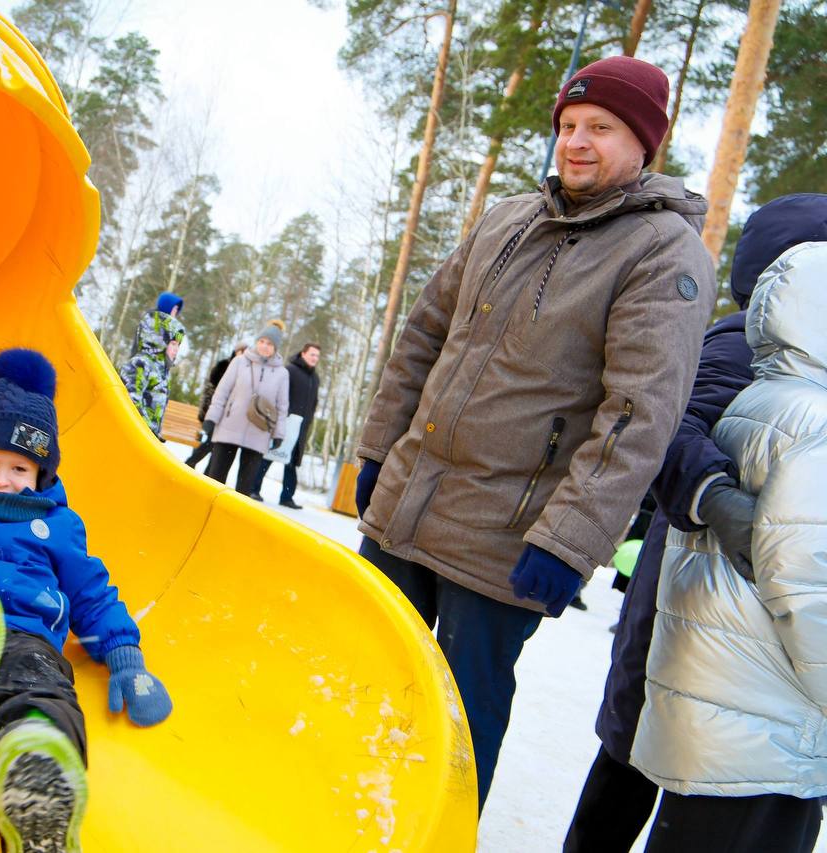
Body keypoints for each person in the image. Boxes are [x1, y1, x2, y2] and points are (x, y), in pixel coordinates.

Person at [352, 55, 716, 810]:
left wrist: (569, 540)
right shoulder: (507, 218)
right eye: (569, 126)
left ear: (645, 141)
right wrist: (378, 450)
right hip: (409, 499)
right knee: (364, 677)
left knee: (457, 718)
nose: (577, 142)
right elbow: (423, 336)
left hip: (508, 538)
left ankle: (435, 831)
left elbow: (639, 410)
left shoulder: (661, 252)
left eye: (601, 128)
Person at [565, 193, 827, 853]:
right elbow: (668, 430)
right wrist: (716, 494)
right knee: (633, 771)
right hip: (690, 596)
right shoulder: (745, 346)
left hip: (721, 610)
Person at [0, 349, 172, 853]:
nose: (2, 479)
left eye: (20, 467)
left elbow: (91, 592)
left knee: (45, 693)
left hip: (27, 639)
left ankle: (37, 770)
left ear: (41, 475)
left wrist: (124, 656)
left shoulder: (56, 527)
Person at [203, 320, 289, 497]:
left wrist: (279, 434)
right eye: (262, 341)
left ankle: (233, 520)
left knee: (244, 489)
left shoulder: (282, 373)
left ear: (276, 347)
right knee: (215, 480)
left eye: (270, 344)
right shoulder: (239, 362)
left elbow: (282, 407)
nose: (264, 346)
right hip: (229, 426)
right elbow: (222, 391)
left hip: (258, 433)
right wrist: (212, 417)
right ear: (257, 341)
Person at [252, 343, 321, 508]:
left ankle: (286, 497)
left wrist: (308, 422)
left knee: (292, 462)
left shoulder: (315, 378)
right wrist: (280, 417)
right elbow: (279, 394)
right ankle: (253, 488)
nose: (315, 358)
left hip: (301, 427)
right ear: (303, 354)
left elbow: (314, 403)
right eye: (312, 354)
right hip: (285, 422)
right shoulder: (290, 371)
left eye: (317, 356)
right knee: (269, 456)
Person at [119, 292, 185, 439]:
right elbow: (130, 402)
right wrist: (147, 431)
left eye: (178, 345)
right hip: (131, 437)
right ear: (161, 341)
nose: (176, 350)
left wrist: (155, 432)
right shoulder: (140, 364)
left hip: (145, 439)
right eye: (173, 344)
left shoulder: (163, 370)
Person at [185, 343, 247, 471]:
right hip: (214, 411)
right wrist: (209, 412)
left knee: (217, 448)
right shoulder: (223, 366)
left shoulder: (244, 370)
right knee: (211, 443)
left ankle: (208, 473)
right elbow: (212, 389)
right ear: (236, 352)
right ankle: (191, 462)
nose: (243, 355)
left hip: (228, 416)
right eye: (241, 351)